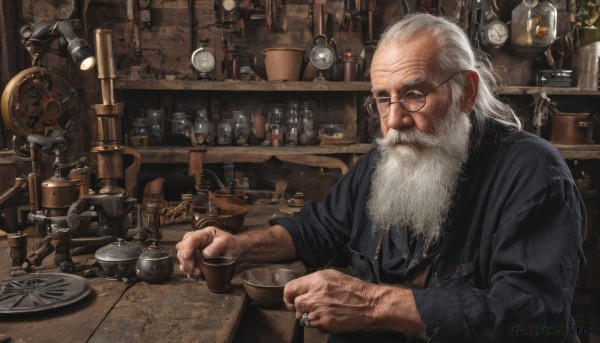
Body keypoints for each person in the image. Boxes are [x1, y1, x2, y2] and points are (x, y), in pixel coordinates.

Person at [177, 13, 586, 342]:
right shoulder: (391, 156)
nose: (394, 121)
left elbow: (536, 322)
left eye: (413, 94)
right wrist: (239, 247)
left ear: (466, 92)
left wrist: (374, 305)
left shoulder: (535, 175)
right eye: (382, 98)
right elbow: (319, 227)